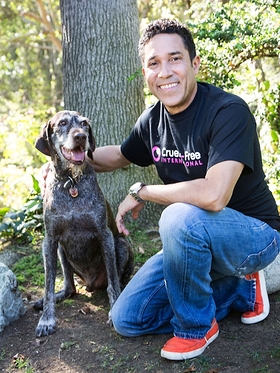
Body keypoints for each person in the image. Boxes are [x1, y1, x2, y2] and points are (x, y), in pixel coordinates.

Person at [42, 18, 280, 360]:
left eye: (175, 59)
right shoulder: (153, 120)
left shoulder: (228, 111)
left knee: (178, 217)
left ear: (194, 64)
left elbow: (214, 196)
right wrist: (66, 159)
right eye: (154, 63)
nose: (165, 71)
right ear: (145, 73)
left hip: (254, 235)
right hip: (195, 239)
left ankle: (196, 328)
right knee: (127, 318)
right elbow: (117, 157)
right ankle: (239, 289)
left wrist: (144, 191)